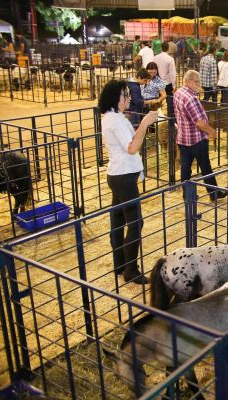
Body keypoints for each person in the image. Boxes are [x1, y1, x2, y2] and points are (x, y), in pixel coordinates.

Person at [98, 80, 159, 284]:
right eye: (126, 95)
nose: (129, 98)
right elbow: (132, 147)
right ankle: (131, 269)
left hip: (119, 174)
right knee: (135, 222)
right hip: (124, 176)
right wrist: (145, 123)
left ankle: (120, 264)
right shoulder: (114, 120)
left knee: (117, 220)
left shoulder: (112, 117)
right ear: (117, 98)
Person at [173, 70, 228, 202]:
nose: (199, 86)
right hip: (196, 139)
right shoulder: (191, 99)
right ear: (188, 81)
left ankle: (188, 195)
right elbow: (199, 123)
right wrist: (211, 131)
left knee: (185, 168)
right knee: (205, 166)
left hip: (183, 137)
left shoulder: (178, 93)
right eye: (196, 82)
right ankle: (214, 193)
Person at [153, 42, 176, 117]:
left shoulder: (155, 58)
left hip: (157, 82)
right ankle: (170, 124)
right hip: (167, 84)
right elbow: (172, 73)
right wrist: (174, 85)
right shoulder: (170, 59)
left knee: (157, 101)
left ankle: (155, 119)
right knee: (170, 103)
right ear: (168, 48)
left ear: (161, 48)